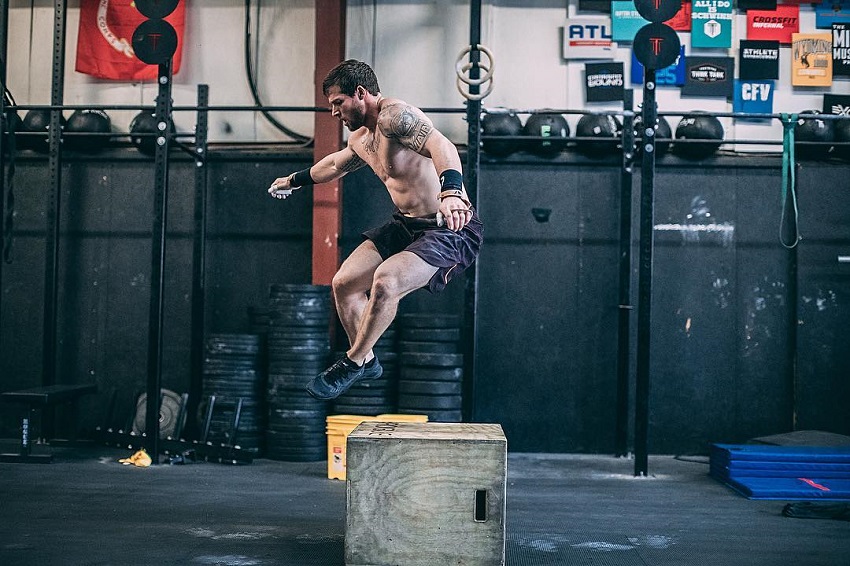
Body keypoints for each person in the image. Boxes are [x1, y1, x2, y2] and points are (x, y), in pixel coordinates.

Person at [267, 59, 483, 401]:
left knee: (386, 281)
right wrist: (295, 180)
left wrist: (452, 192)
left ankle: (351, 362)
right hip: (405, 223)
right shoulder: (361, 138)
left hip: (447, 227)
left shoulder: (395, 117)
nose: (334, 112)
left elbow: (443, 146)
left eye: (338, 103)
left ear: (360, 93)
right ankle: (366, 358)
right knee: (344, 284)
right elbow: (334, 165)